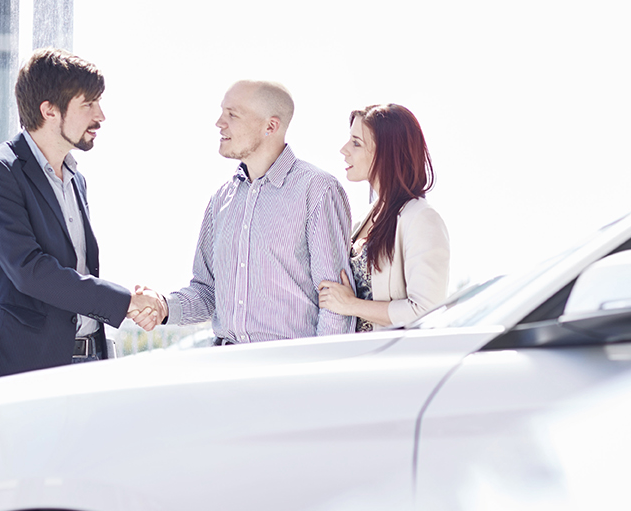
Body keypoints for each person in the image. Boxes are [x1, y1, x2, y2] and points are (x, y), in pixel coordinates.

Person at [0, 48, 163, 383]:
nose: (100, 115)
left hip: (86, 363)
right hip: (22, 371)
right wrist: (126, 301)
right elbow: (30, 270)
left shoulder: (76, 179)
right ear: (49, 110)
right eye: (88, 103)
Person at [155, 80, 354, 343]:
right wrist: (164, 306)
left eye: (232, 115)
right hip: (226, 367)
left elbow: (336, 306)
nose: (219, 122)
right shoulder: (220, 200)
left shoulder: (317, 190)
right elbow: (206, 292)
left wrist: (320, 374)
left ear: (270, 126)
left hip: (288, 370)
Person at [317, 104, 450, 331]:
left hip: (388, 361)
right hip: (353, 357)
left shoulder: (421, 219)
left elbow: (425, 311)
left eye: (356, 143)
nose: (344, 149)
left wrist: (351, 305)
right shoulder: (361, 219)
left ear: (387, 153)